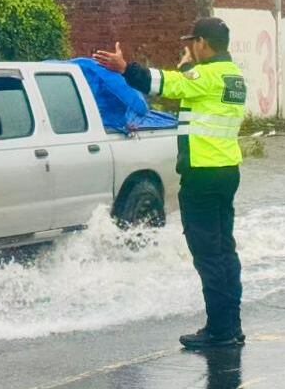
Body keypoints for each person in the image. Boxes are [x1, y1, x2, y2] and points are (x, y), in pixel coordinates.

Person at [94, 17, 248, 350]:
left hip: (202, 175)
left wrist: (126, 67)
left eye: (192, 42)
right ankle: (231, 325)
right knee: (224, 250)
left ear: (203, 43)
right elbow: (185, 88)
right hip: (226, 170)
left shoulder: (205, 76)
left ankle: (219, 331)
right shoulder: (234, 76)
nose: (189, 48)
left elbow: (164, 84)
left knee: (207, 253)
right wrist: (188, 68)